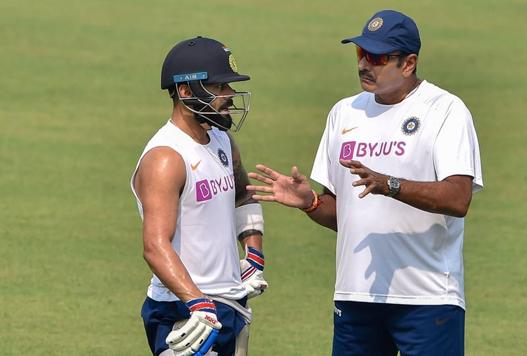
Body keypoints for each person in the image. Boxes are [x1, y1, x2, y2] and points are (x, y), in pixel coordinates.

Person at [247, 10, 483, 356]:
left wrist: (391, 185)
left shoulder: (445, 110)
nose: (363, 65)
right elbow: (345, 214)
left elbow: (458, 198)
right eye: (360, 53)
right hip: (356, 296)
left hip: (427, 297)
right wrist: (310, 202)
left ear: (409, 63)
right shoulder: (344, 113)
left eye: (377, 57)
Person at [131, 36, 268, 356]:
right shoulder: (166, 158)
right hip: (183, 311)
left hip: (229, 303)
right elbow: (154, 246)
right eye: (220, 88)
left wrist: (254, 256)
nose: (231, 96)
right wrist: (197, 303)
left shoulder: (221, 140)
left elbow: (243, 196)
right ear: (186, 91)